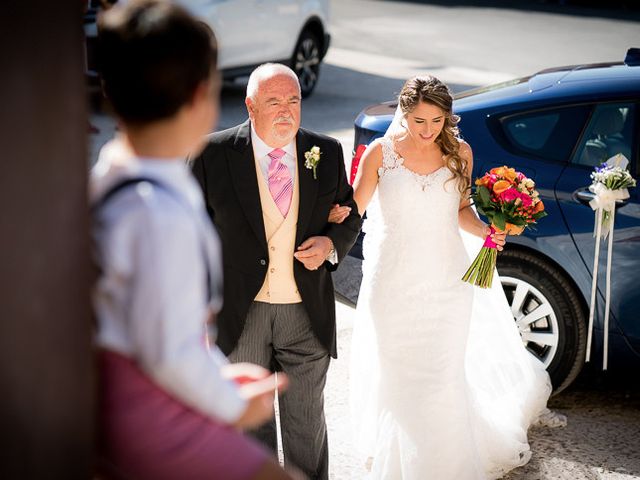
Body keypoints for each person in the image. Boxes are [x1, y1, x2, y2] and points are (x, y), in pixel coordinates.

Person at [91, 2, 298, 478]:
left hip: (133, 389)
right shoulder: (157, 212)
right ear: (200, 96)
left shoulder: (115, 171)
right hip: (148, 412)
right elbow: (168, 353)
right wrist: (230, 404)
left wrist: (218, 372)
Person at [331, 75, 565, 479]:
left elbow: (460, 212)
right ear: (404, 113)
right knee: (400, 372)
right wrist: (333, 213)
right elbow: (356, 206)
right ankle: (400, 459)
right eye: (419, 120)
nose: (427, 131)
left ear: (447, 118)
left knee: (442, 373)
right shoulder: (379, 154)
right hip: (393, 281)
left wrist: (493, 230)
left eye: (436, 121)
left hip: (447, 280)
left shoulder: (461, 152)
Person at [190, 63, 362, 479]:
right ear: (250, 106)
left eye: (294, 100)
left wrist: (331, 244)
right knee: (251, 428)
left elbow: (349, 215)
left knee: (307, 426)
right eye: (274, 102)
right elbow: (187, 233)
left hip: (305, 313)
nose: (286, 111)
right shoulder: (212, 154)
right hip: (239, 313)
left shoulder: (324, 150)